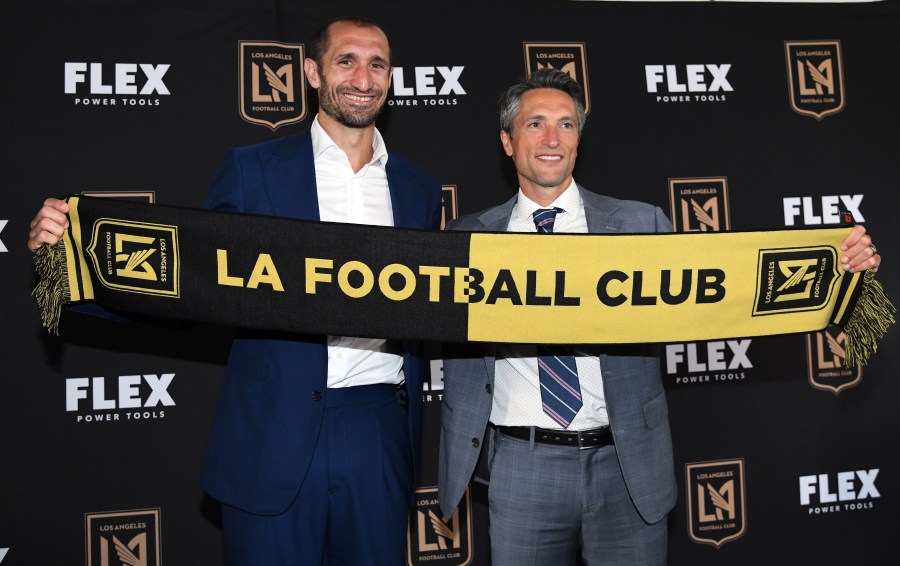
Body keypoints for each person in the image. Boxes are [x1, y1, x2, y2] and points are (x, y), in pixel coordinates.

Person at [28, 16, 442, 566]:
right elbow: (189, 288)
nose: (362, 78)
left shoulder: (418, 188)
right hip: (272, 434)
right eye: (347, 61)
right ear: (312, 72)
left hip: (380, 433)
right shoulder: (252, 171)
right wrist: (73, 265)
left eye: (378, 64)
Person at [436, 68, 881, 566]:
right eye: (535, 124)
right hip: (523, 467)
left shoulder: (640, 225)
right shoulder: (465, 238)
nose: (551, 139)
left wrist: (835, 269)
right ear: (507, 140)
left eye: (566, 125)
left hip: (627, 467)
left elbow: (727, 285)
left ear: (579, 138)